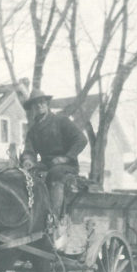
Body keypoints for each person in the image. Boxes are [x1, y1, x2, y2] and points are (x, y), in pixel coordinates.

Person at [20, 88, 88, 227]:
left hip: (67, 166)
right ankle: (30, 216)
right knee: (25, 176)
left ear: (47, 104)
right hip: (46, 164)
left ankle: (53, 218)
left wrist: (66, 157)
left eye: (42, 102)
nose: (39, 106)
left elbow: (81, 139)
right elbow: (29, 150)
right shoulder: (33, 131)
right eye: (35, 104)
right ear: (32, 108)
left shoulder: (61, 121)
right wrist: (28, 160)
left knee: (54, 173)